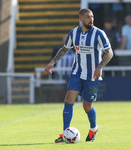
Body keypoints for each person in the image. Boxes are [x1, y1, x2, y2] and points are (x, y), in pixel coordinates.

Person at [44, 8, 113, 143]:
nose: (91, 19)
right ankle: (65, 134)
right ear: (81, 19)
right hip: (77, 72)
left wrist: (100, 67)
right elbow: (65, 49)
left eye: (92, 17)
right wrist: (52, 63)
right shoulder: (73, 33)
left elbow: (109, 52)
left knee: (87, 106)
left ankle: (93, 128)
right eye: (88, 17)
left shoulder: (99, 33)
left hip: (92, 75)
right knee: (69, 99)